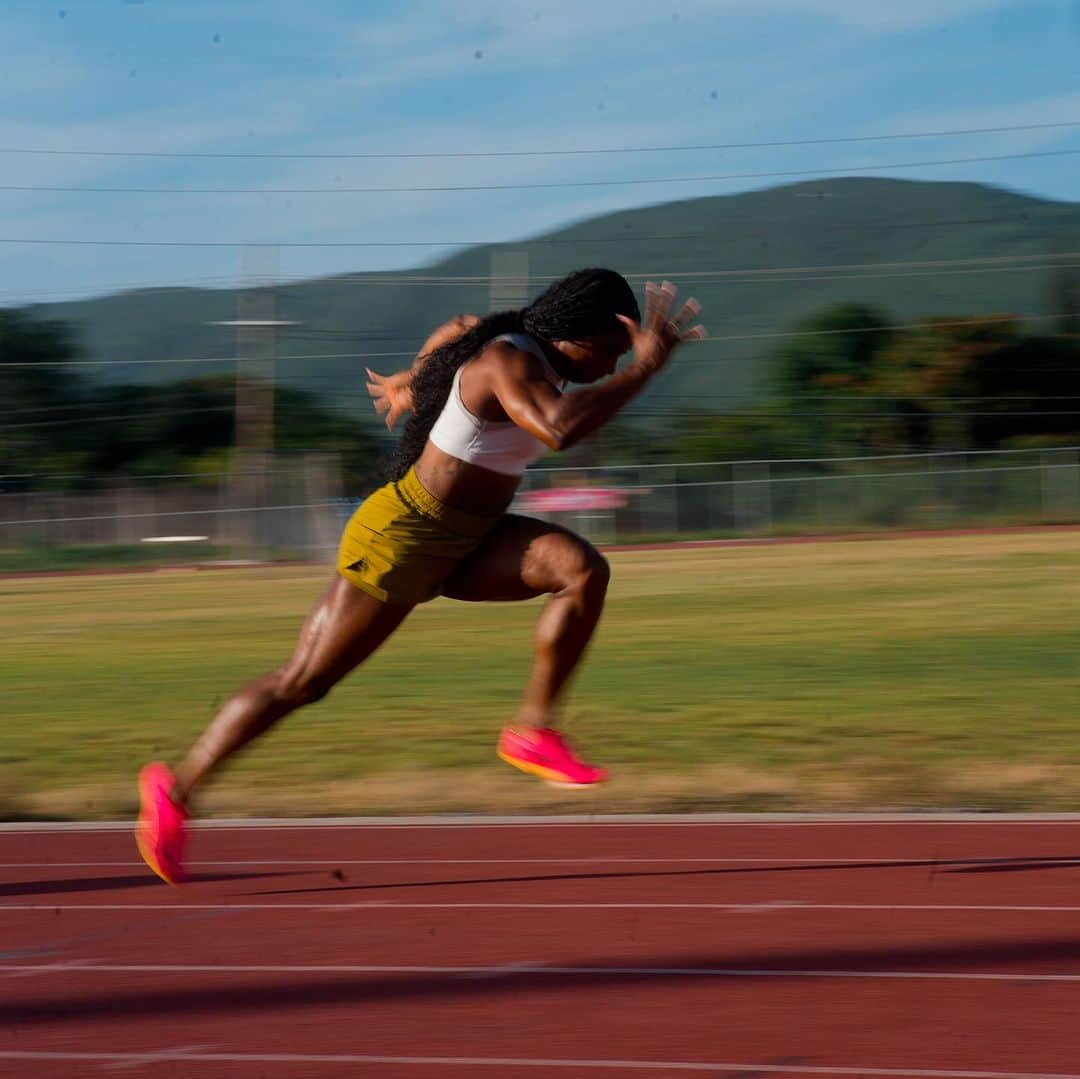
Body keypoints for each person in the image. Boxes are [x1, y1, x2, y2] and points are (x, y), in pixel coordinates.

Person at [136, 268, 704, 884]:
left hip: (473, 536)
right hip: (403, 534)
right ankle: (177, 788)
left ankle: (532, 733)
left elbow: (458, 326)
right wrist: (643, 369)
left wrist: (418, 380)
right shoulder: (506, 362)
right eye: (614, 351)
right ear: (582, 335)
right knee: (304, 682)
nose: (615, 362)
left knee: (582, 572)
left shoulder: (511, 346)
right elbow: (559, 429)